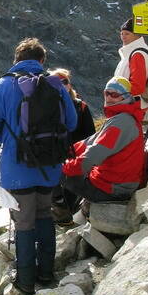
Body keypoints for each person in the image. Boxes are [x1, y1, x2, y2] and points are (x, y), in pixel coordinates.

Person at [0, 37, 77, 295]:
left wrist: (10, 140)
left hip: (16, 165)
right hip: (49, 166)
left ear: (16, 60)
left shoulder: (2, 86)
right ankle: (46, 274)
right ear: (42, 60)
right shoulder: (55, 85)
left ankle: (25, 280)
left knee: (23, 220)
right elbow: (71, 122)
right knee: (44, 214)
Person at [61, 77, 145, 207]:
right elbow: (90, 141)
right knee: (71, 168)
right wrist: (67, 151)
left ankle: (61, 212)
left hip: (113, 188)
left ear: (125, 97)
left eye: (114, 94)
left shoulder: (121, 122)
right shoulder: (123, 118)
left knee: (58, 172)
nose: (109, 97)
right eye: (107, 93)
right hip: (120, 182)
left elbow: (93, 155)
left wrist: (63, 167)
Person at [48, 69, 95, 224]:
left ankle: (68, 217)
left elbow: (90, 134)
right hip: (54, 156)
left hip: (74, 155)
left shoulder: (81, 106)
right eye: (57, 81)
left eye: (65, 81)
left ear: (69, 85)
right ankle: (62, 217)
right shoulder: (45, 107)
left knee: (71, 190)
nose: (62, 84)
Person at [114, 19, 148, 109]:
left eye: (127, 34)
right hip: (129, 103)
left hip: (133, 106)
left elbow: (137, 86)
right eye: (121, 34)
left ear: (137, 35)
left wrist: (114, 94)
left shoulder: (137, 54)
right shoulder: (133, 52)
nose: (123, 37)